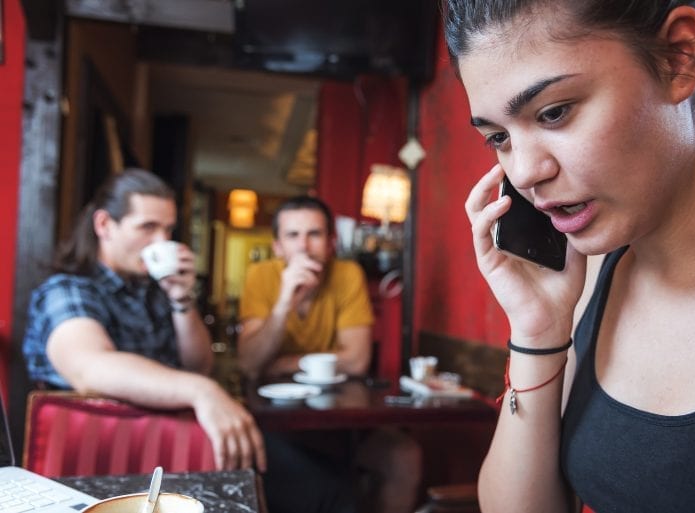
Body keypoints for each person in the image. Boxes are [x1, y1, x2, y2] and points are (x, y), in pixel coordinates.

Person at [443, 1, 695, 512]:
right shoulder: (593, 274)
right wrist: (538, 334)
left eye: (554, 112)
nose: (524, 172)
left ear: (679, 57)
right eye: (498, 138)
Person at [22, 169, 355, 513]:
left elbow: (200, 364)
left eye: (167, 229)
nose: (161, 241)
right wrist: (202, 390)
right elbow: (91, 368)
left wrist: (181, 300)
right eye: (147, 227)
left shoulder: (153, 291)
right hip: (109, 455)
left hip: (172, 445)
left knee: (329, 485)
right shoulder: (67, 291)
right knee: (325, 492)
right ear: (105, 225)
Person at [238, 195, 422, 513]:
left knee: (405, 456)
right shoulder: (261, 276)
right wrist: (284, 302)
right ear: (277, 247)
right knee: (318, 481)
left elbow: (357, 360)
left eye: (314, 234)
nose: (304, 246)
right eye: (292, 236)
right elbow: (251, 365)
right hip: (276, 424)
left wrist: (282, 363)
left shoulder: (347, 274)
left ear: (331, 242)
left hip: (341, 423)